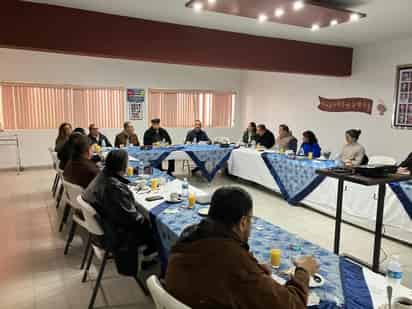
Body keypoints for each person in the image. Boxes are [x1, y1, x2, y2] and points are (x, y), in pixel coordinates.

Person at [166, 186, 318, 309]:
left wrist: (254, 270)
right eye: (251, 220)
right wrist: (303, 272)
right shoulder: (235, 262)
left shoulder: (191, 233)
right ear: (243, 222)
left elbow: (220, 272)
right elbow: (293, 305)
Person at [82, 149, 157, 276]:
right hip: (118, 235)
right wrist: (147, 220)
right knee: (154, 223)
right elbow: (132, 218)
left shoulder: (103, 175)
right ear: (123, 165)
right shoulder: (113, 186)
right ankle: (152, 255)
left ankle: (150, 254)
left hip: (104, 229)